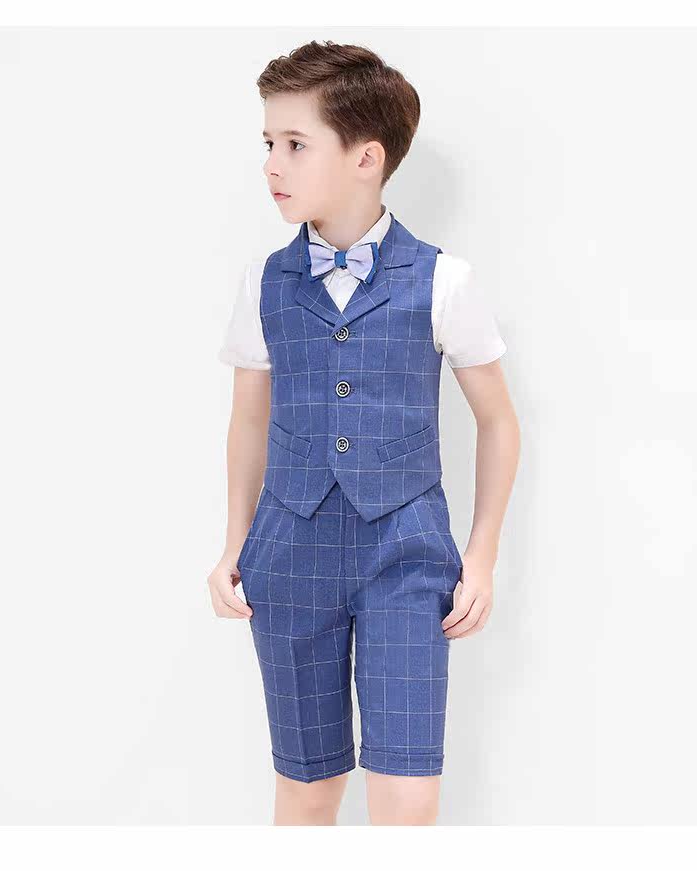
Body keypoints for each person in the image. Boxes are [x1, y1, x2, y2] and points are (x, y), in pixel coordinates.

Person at [208, 39, 521, 826]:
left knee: (407, 795)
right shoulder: (263, 283)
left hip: (406, 556)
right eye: (268, 143)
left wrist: (481, 555)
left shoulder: (443, 280)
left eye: (295, 144)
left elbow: (498, 421)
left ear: (366, 157)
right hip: (288, 554)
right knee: (307, 787)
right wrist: (234, 543)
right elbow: (249, 420)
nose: (271, 165)